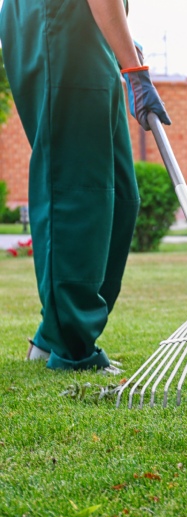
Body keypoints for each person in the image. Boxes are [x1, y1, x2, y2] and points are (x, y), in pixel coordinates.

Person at [0, 0, 171, 372]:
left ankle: (51, 337)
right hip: (59, 23)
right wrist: (134, 68)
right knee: (76, 190)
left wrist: (121, 39)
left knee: (120, 197)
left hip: (85, 28)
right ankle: (71, 347)